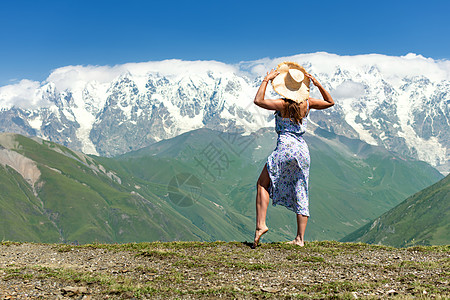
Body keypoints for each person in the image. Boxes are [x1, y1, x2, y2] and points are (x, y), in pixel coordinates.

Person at [252, 62, 334, 248]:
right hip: (302, 151)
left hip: (284, 148)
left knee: (262, 183)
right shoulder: (307, 103)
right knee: (301, 189)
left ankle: (260, 225)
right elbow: (330, 102)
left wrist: (266, 80)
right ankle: (300, 239)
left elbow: (258, 100)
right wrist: (319, 84)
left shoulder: (282, 105)